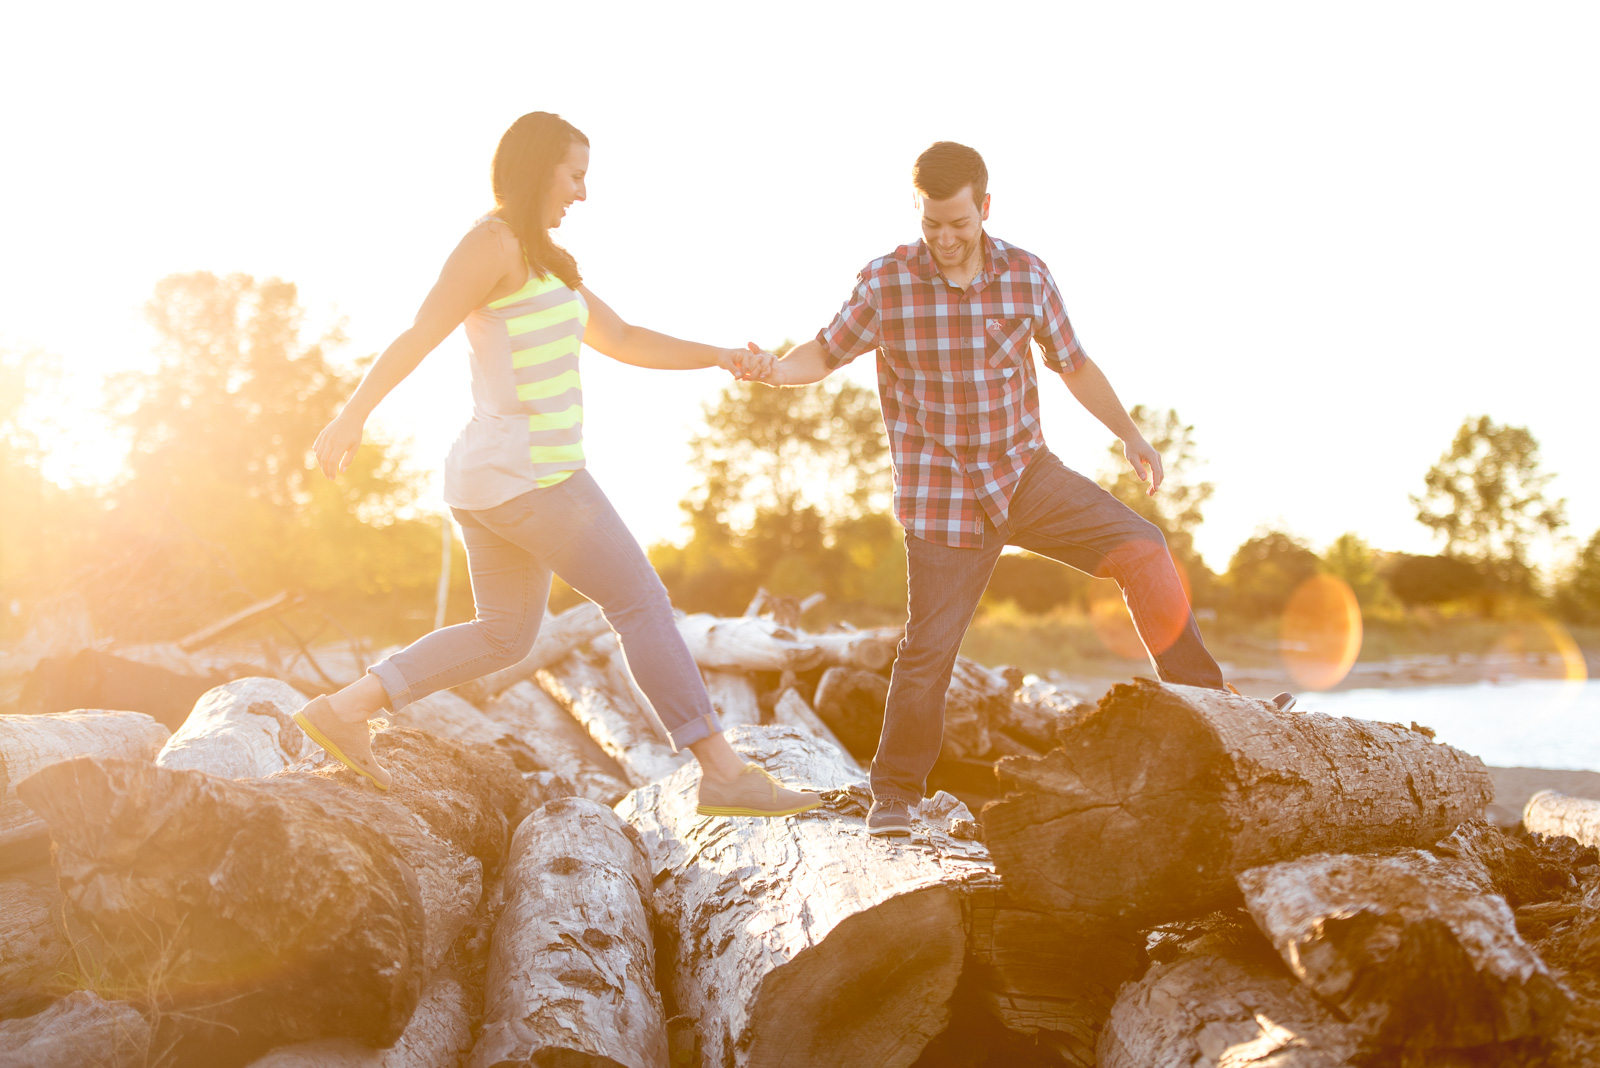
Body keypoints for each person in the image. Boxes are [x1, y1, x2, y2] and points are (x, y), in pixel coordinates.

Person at [750, 141, 1291, 836]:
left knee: (1143, 548)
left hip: (1025, 475)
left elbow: (1075, 364)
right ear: (916, 213)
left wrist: (1131, 434)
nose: (945, 239)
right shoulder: (887, 282)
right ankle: (895, 795)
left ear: (985, 207)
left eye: (958, 223)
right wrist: (772, 368)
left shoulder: (1026, 276)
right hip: (941, 494)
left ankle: (1212, 709)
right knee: (927, 651)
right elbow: (821, 353)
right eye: (931, 224)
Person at [300, 111, 818, 818]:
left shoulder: (549, 263)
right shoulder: (493, 242)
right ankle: (722, 773)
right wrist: (351, 413)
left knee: (505, 634)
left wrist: (722, 355)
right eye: (574, 174)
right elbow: (423, 330)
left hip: (499, 480)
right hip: (533, 476)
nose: (582, 192)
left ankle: (344, 708)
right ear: (538, 167)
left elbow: (626, 337)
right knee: (639, 601)